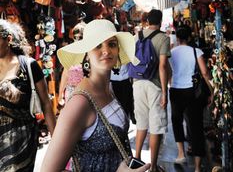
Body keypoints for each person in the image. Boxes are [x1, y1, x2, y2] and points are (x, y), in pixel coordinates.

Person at [41, 19, 150, 172]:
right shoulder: (80, 103)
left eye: (111, 44)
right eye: (97, 45)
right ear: (87, 55)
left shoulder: (108, 88)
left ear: (118, 50)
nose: (106, 51)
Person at [0, 19, 56, 171]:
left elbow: (46, 104)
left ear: (8, 39)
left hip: (22, 142)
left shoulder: (28, 66)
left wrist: (57, 143)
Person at [169, 25, 213, 172]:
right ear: (189, 37)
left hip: (175, 90)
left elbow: (167, 71)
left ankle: (181, 153)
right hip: (192, 92)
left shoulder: (171, 52)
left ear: (178, 38)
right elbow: (205, 72)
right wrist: (211, 90)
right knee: (196, 127)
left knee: (177, 121)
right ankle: (198, 167)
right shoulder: (196, 51)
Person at [132, 9, 171, 172]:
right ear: (160, 21)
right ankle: (153, 167)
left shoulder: (136, 37)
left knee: (141, 123)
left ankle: (138, 159)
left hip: (137, 83)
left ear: (147, 21)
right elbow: (162, 66)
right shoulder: (163, 38)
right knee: (156, 126)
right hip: (154, 84)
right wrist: (164, 91)